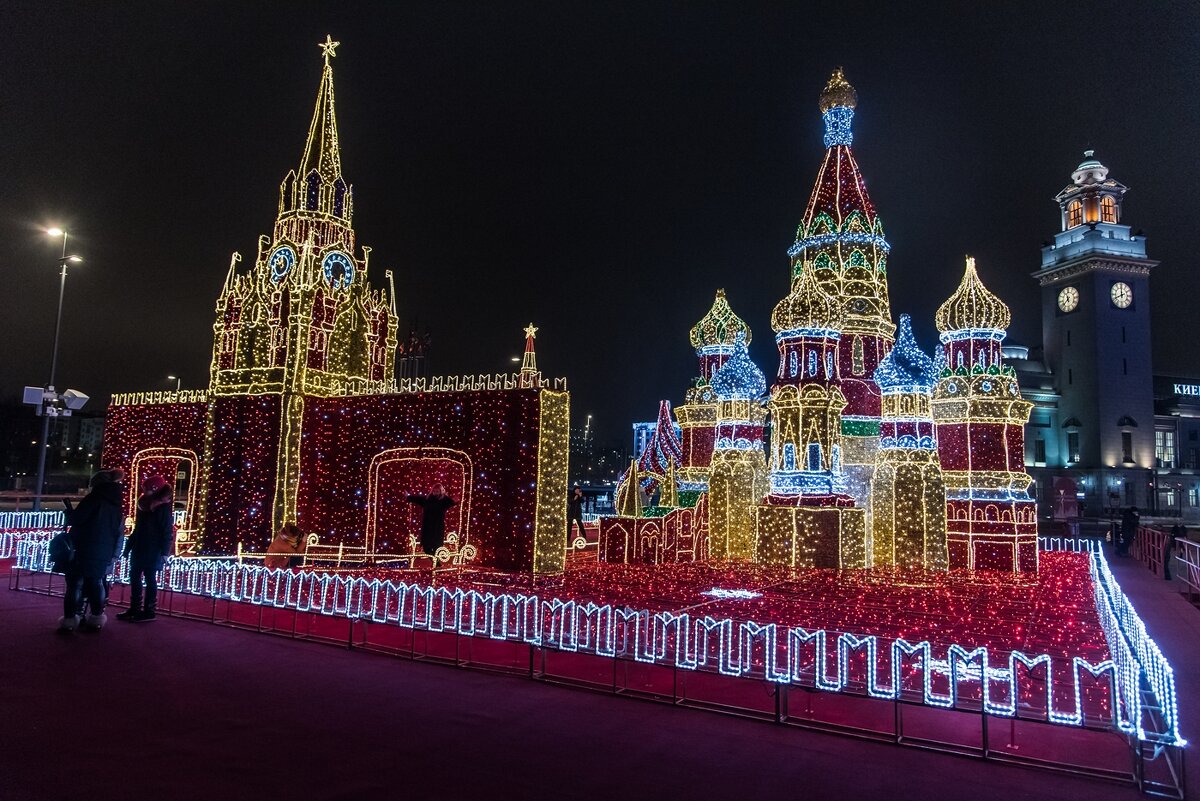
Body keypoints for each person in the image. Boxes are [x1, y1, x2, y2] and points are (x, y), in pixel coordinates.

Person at [59, 469, 125, 633]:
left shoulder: (93, 499)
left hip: (83, 547)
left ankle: (70, 620)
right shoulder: (115, 504)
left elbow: (77, 519)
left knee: (75, 585)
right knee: (96, 583)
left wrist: (69, 513)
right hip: (103, 550)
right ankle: (96, 618)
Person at [117, 475, 175, 623]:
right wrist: (128, 547)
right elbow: (138, 528)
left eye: (146, 489)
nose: (144, 491)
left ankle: (149, 610)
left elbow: (166, 531)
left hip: (153, 548)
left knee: (149, 578)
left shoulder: (161, 508)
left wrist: (164, 552)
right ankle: (135, 608)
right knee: (135, 577)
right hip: (141, 546)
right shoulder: (145, 505)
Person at [406, 484, 455, 556]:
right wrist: (408, 496)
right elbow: (417, 499)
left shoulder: (444, 500)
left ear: (441, 491)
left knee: (436, 547)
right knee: (426, 547)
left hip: (437, 526)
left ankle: (437, 563)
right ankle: (436, 562)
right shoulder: (427, 499)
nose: (435, 492)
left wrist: (456, 500)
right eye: (434, 491)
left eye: (437, 491)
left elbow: (452, 502)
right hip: (427, 526)